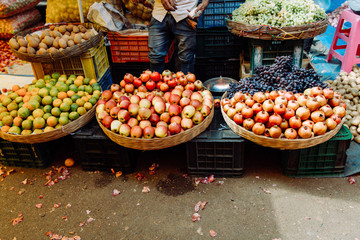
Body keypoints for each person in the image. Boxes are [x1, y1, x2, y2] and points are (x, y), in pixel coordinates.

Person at [148, 0, 209, 74]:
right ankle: (155, 84)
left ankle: (186, 83)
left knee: (186, 58)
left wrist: (205, 2)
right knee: (155, 58)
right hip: (159, 13)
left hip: (185, 13)